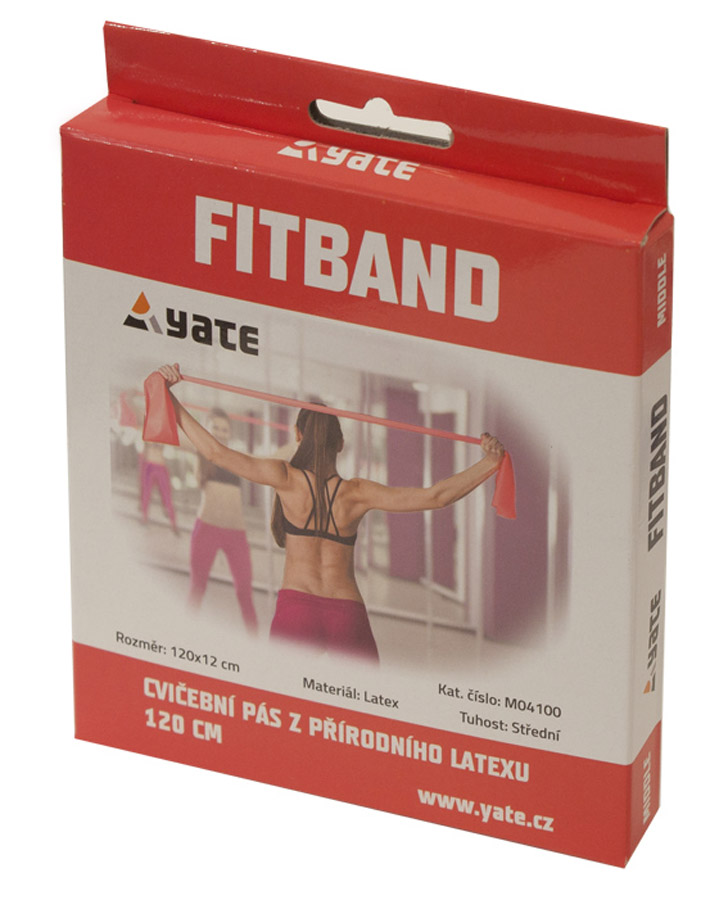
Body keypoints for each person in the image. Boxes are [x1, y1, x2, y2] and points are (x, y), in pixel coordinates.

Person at [156, 364, 505, 662]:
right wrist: (490, 462)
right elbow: (436, 497)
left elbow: (215, 453)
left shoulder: (284, 478)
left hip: (296, 610)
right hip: (346, 614)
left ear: (298, 435)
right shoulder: (357, 493)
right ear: (340, 444)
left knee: (288, 705)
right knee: (362, 711)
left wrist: (169, 397)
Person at [185, 406, 258, 632]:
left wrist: (295, 445)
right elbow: (174, 433)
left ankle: (255, 644)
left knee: (244, 593)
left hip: (236, 535)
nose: (219, 432)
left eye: (224, 429)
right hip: (206, 530)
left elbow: (271, 459)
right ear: (206, 429)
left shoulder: (237, 458)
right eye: (214, 427)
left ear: (230, 433)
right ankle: (182, 639)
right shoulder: (201, 451)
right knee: (197, 588)